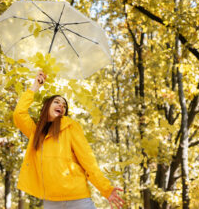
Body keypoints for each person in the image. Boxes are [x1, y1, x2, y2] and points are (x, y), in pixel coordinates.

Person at [13, 71, 124, 209]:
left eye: (64, 105)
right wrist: (35, 86)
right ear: (46, 107)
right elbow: (19, 114)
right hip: (51, 201)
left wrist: (106, 189)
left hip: (77, 199)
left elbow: (88, 160)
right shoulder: (36, 133)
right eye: (57, 102)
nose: (61, 106)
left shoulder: (70, 126)